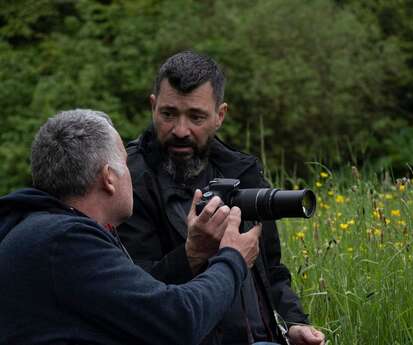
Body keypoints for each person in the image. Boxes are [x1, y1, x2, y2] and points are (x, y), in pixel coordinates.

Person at [0, 109, 263, 345]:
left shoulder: (44, 231)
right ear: (109, 178)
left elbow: (139, 307)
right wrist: (233, 259)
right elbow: (179, 323)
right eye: (125, 164)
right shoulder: (64, 241)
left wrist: (191, 254)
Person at [118, 51, 325, 345]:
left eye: (196, 116)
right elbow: (132, 298)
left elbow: (273, 271)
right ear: (153, 107)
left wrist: (294, 324)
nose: (180, 130)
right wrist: (192, 253)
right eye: (168, 114)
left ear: (220, 116)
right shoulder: (129, 181)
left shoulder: (242, 170)